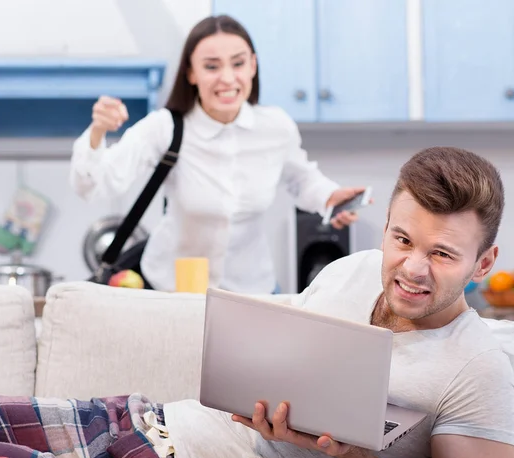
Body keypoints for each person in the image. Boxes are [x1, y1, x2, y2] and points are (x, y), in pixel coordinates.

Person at [0, 147, 514, 458]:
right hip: (144, 422)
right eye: (402, 239)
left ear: (483, 263)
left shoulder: (475, 371)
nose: (412, 268)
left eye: (442, 254)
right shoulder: (353, 271)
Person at [69, 15, 366, 293]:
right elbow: (95, 185)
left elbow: (302, 180)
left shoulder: (276, 127)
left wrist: (330, 197)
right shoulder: (165, 128)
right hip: (172, 291)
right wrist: (98, 132)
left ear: (253, 65)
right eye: (211, 66)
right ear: (191, 73)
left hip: (252, 291)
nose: (227, 78)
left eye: (237, 64)